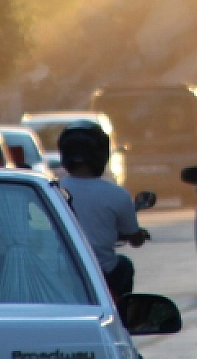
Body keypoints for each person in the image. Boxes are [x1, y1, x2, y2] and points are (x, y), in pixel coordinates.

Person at [56, 123, 149, 299]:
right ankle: (120, 315)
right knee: (124, 265)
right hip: (104, 272)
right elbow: (135, 238)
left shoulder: (52, 190)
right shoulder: (117, 194)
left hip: (58, 271)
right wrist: (139, 235)